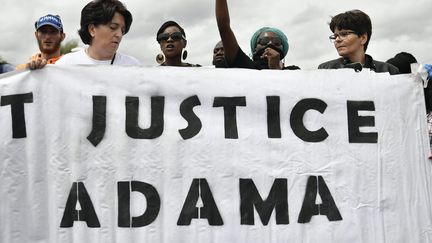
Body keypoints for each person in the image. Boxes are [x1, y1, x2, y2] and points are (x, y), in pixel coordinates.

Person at [215, 0, 299, 70]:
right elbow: (224, 27)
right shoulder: (245, 65)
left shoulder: (293, 71)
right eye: (264, 41)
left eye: (276, 42)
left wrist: (276, 68)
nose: (270, 44)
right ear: (255, 48)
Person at [56, 0, 140, 65]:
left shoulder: (133, 66)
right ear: (92, 29)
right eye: (113, 27)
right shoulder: (66, 64)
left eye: (122, 30)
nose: (119, 35)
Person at [318, 10, 399, 74]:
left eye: (344, 34)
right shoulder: (325, 69)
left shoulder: (389, 71)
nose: (337, 40)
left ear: (363, 38)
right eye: (335, 36)